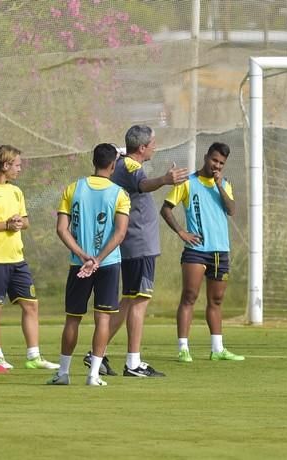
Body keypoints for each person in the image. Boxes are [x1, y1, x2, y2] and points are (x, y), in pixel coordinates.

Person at [83, 125, 188, 378]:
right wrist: (164, 180)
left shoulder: (121, 163)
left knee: (130, 300)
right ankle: (133, 363)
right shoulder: (131, 166)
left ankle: (97, 353)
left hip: (135, 243)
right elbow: (142, 184)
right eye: (153, 143)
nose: (155, 146)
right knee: (139, 300)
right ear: (142, 147)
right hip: (139, 243)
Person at [0, 145, 59, 373]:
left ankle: (34, 357)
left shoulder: (16, 191)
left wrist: (19, 223)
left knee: (31, 305)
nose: (20, 169)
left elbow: (26, 221)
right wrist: (5, 225)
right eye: (17, 165)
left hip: (17, 258)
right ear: (5, 165)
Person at [48, 143, 130, 386]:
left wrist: (84, 256)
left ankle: (63, 373)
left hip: (79, 265)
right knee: (102, 319)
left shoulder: (73, 188)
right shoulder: (119, 194)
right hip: (108, 264)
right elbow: (120, 233)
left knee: (73, 319)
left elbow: (62, 229)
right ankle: (93, 375)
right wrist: (99, 259)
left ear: (93, 161)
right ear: (113, 165)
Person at [160, 142, 244, 362]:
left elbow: (232, 210)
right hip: (196, 250)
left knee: (216, 300)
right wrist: (181, 231)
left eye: (221, 163)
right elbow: (166, 208)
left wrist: (218, 184)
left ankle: (217, 349)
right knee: (189, 296)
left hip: (220, 251)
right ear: (206, 157)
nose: (216, 165)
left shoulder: (224, 184)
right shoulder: (188, 182)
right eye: (214, 160)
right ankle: (183, 348)